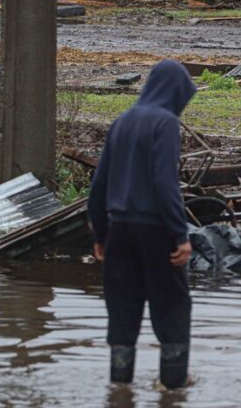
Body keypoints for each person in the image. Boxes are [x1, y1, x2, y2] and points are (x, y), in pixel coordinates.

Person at [88, 59, 195, 388]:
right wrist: (180, 235)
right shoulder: (165, 123)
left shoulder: (122, 121)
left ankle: (120, 388)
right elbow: (165, 184)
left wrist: (101, 234)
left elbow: (99, 185)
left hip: (119, 230)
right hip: (156, 232)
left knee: (122, 310)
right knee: (172, 307)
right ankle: (172, 387)